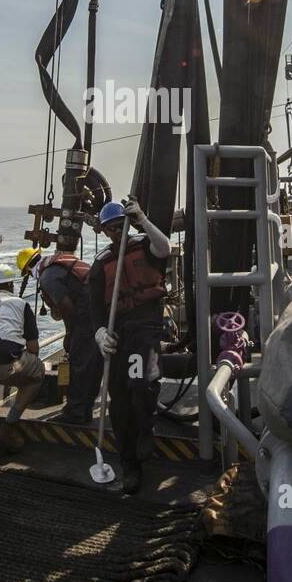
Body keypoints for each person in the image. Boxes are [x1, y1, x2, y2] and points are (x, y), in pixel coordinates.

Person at [88, 195, 170, 495]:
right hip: (117, 332)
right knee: (119, 401)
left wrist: (143, 219)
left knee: (141, 381)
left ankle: (145, 429)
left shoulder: (146, 247)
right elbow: (95, 307)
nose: (114, 232)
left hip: (145, 327)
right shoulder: (101, 265)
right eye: (108, 228)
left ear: (127, 223)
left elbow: (166, 248)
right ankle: (129, 465)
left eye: (118, 225)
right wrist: (99, 333)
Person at [19, 245, 103, 425]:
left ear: (28, 269)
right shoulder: (57, 264)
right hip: (98, 308)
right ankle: (85, 409)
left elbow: (66, 307)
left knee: (80, 362)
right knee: (93, 361)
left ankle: (75, 412)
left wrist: (69, 334)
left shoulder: (47, 277)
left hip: (86, 315)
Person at [0, 268, 45, 453]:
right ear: (11, 285)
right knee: (37, 373)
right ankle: (8, 427)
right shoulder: (20, 304)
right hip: (7, 363)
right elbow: (33, 347)